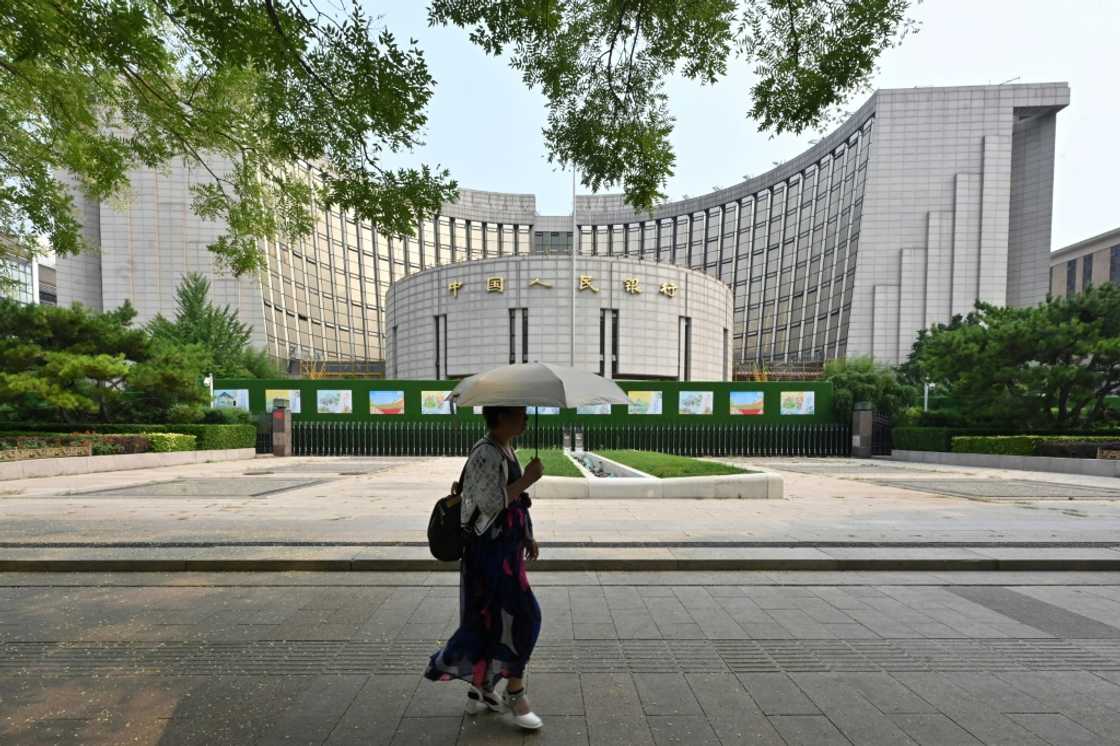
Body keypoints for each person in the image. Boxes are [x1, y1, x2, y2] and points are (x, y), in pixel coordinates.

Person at [424, 405, 545, 730]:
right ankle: (514, 691)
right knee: (524, 617)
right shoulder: (485, 452)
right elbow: (490, 503)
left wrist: (528, 535)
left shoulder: (506, 448)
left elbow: (515, 504)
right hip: (489, 554)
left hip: (507, 552)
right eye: (520, 412)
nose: (526, 418)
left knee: (490, 619)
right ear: (502, 417)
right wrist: (529, 480)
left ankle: (482, 688)